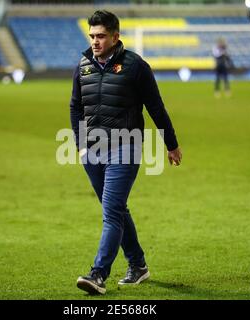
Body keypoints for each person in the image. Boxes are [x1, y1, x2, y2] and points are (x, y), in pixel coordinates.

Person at [70, 10, 182, 295]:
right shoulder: (83, 65)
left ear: (115, 36)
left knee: (111, 212)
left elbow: (156, 107)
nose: (95, 41)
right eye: (92, 36)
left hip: (125, 146)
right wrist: (81, 145)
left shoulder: (135, 66)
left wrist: (171, 144)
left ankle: (98, 274)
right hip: (92, 151)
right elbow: (76, 106)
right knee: (117, 210)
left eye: (101, 36)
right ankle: (139, 266)